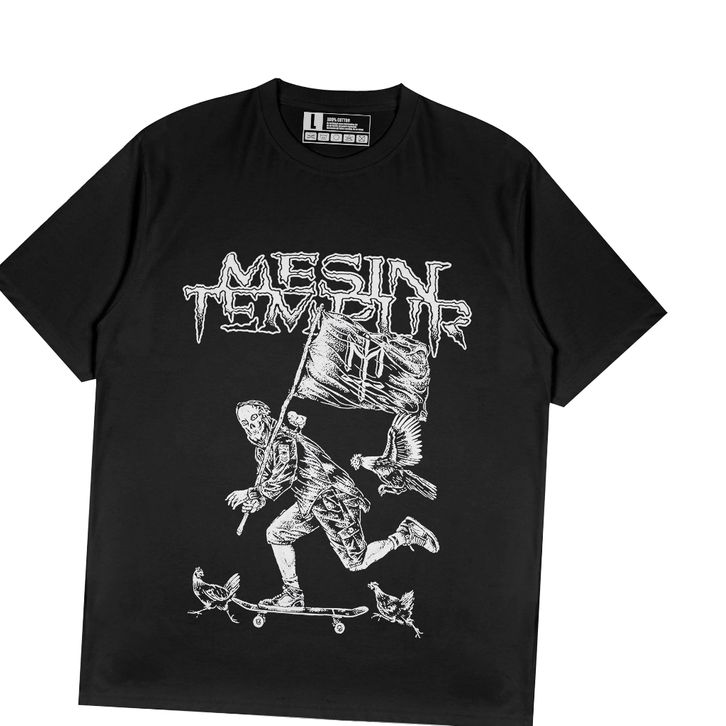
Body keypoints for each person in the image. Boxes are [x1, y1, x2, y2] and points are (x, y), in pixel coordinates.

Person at [226, 400, 439, 608]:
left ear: (264, 415)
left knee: (356, 561)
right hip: (310, 501)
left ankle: (405, 534)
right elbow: (267, 481)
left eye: (254, 418)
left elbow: (284, 475)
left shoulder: (283, 439)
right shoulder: (262, 449)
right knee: (276, 533)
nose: (251, 426)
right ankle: (293, 594)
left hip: (334, 497)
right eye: (245, 423)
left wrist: (253, 493)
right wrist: (257, 500)